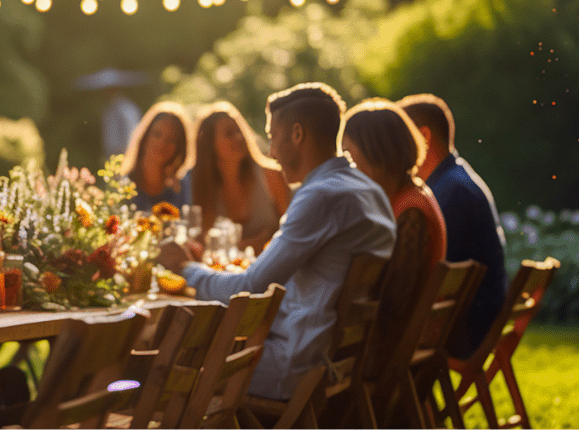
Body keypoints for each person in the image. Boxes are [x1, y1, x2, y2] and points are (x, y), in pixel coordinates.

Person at [157, 82, 396, 401]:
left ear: (297, 134)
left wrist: (184, 267)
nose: (270, 152)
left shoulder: (320, 196)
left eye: (272, 137)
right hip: (334, 358)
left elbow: (248, 287)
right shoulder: (369, 191)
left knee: (160, 368)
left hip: (292, 366)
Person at [340, 99, 447, 377]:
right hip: (398, 347)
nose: (347, 168)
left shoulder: (411, 213)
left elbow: (393, 303)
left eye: (350, 156)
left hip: (381, 355)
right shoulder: (409, 197)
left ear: (377, 155)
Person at [398, 93, 507, 360]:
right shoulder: (453, 180)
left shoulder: (451, 193)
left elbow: (426, 274)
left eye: (401, 138)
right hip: (476, 319)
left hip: (465, 328)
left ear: (423, 137)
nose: (396, 149)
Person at [190, 101, 290, 251]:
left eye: (239, 131)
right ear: (210, 144)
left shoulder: (271, 175)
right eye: (229, 133)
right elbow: (203, 242)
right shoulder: (201, 187)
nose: (238, 137)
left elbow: (292, 230)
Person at [120, 101, 194, 211]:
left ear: (180, 147)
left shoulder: (183, 189)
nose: (162, 144)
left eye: (171, 140)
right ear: (145, 136)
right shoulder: (122, 188)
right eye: (157, 134)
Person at [101, 87, 142, 159]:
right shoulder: (109, 109)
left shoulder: (127, 108)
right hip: (112, 156)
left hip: (124, 156)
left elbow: (131, 134)